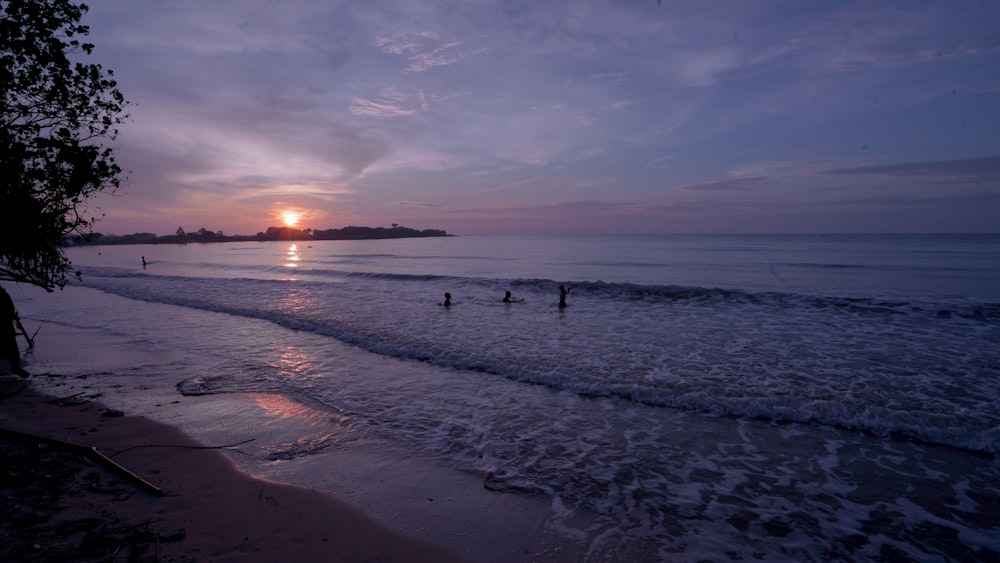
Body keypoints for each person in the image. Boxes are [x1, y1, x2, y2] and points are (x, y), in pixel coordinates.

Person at [0, 285, 29, 378]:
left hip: (6, 326)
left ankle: (15, 367)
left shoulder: (4, 296)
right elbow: (10, 310)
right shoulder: (4, 295)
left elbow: (10, 310)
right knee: (10, 347)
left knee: (11, 347)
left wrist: (11, 316)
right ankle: (15, 367)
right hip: (5, 326)